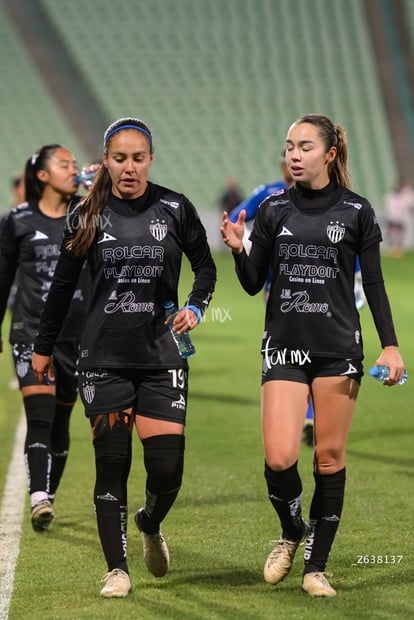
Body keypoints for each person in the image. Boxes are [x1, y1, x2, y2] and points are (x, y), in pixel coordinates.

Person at [220, 113, 405, 597]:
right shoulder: (275, 209)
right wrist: (241, 249)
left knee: (328, 457)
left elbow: (376, 285)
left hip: (339, 346)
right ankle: (291, 527)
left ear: (329, 153)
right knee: (280, 456)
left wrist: (390, 344)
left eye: (303, 147)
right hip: (284, 344)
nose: (293, 156)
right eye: (288, 147)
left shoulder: (358, 211)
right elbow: (252, 282)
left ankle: (315, 567)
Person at [32, 117, 217, 598]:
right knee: (111, 464)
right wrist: (42, 348)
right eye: (119, 159)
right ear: (107, 161)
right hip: (104, 359)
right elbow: (61, 290)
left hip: (162, 358)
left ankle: (149, 522)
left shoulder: (176, 207)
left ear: (150, 159)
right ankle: (117, 569)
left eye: (138, 158)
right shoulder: (86, 215)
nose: (129, 168)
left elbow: (205, 266)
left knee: (167, 470)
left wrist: (196, 306)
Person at [0, 144, 90, 532]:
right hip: (30, 332)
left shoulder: (89, 214)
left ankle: (46, 493)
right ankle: (39, 495)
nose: (73, 169)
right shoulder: (16, 220)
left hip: (77, 337)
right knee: (40, 414)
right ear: (42, 175)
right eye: (64, 164)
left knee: (61, 420)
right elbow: (4, 279)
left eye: (75, 164)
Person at [383, 176, 414, 258]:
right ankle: (391, 248)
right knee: (390, 233)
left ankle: (398, 250)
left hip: (401, 218)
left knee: (400, 234)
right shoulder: (392, 196)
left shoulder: (406, 194)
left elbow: (410, 205)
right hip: (392, 217)